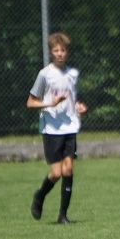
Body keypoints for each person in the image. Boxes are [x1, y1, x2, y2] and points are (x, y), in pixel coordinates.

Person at [27, 32, 87, 224]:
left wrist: (78, 107)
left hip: (70, 126)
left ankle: (63, 215)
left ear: (67, 52)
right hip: (52, 129)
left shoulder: (72, 74)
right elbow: (30, 102)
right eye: (56, 50)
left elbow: (72, 99)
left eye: (63, 50)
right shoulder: (45, 75)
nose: (60, 54)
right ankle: (40, 195)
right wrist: (50, 104)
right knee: (56, 173)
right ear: (50, 53)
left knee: (68, 170)